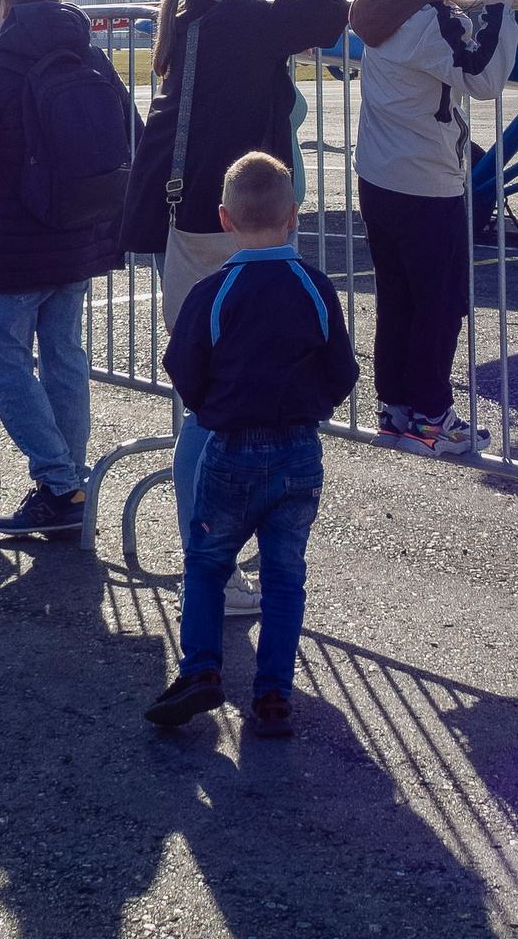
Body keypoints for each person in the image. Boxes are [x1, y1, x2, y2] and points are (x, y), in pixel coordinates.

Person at [118, 0, 349, 605]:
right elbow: (329, 13)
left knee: (205, 405)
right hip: (230, 234)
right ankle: (208, 563)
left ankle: (205, 555)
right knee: (216, 413)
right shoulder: (239, 20)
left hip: (191, 226)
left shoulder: (193, 24)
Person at [147, 153, 356, 736]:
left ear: (223, 218)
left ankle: (202, 669)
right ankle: (273, 695)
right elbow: (341, 370)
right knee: (286, 575)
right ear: (293, 216)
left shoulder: (214, 292)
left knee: (208, 563)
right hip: (297, 451)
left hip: (231, 447)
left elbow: (184, 369)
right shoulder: (315, 287)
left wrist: (217, 408)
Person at [0, 0, 132, 538]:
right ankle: (69, 483)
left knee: (3, 358)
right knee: (64, 357)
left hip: (13, 241)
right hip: (80, 232)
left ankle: (58, 483)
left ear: (2, 3)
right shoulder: (90, 54)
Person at [349, 0, 518, 455]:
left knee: (398, 298)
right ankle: (432, 417)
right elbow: (484, 78)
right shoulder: (430, 19)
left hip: (378, 178)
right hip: (426, 183)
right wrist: (498, 12)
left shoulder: (381, 3)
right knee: (442, 304)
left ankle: (396, 409)